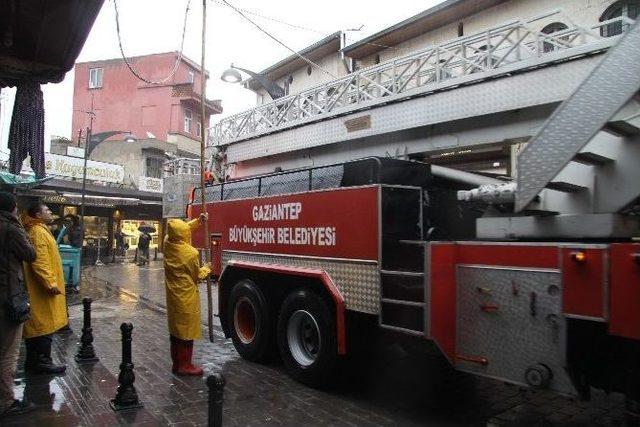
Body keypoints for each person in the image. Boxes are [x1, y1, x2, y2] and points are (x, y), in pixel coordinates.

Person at [0, 192, 36, 417]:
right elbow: (30, 253)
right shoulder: (11, 228)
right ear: (13, 208)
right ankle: (6, 401)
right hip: (7, 297)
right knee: (8, 351)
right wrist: (19, 225)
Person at [21, 201, 67, 374]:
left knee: (42, 325)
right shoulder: (37, 232)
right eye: (47, 210)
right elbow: (40, 261)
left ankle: (36, 361)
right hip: (41, 289)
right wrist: (50, 283)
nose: (51, 212)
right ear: (38, 215)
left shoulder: (39, 230)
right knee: (43, 326)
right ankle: (41, 361)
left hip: (41, 288)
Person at [164, 214, 210, 376]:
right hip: (186, 297)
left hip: (173, 296)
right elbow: (197, 275)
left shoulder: (168, 243)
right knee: (186, 332)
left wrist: (198, 221)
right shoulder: (190, 253)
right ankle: (185, 365)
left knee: (176, 332)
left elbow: (181, 231)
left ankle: (176, 364)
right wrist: (208, 268)